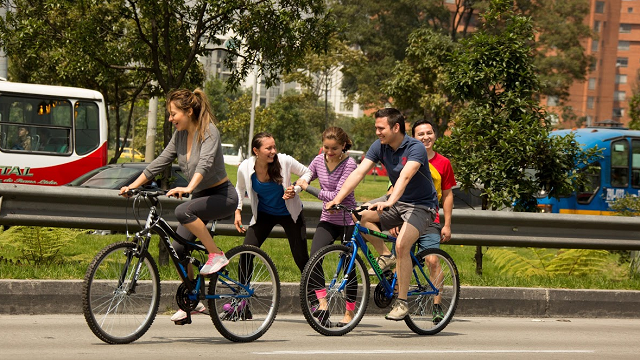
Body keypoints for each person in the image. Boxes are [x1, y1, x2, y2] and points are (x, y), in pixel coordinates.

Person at [119, 88, 238, 322]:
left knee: (183, 209)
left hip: (223, 195)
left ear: (189, 111)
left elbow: (204, 165)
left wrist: (189, 188)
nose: (170, 118)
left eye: (173, 114)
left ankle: (216, 254)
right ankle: (192, 301)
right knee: (179, 249)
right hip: (201, 196)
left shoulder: (209, 131)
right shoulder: (180, 136)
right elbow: (161, 161)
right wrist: (133, 186)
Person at [325, 108, 438, 321]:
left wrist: (390, 202)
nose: (377, 132)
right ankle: (385, 256)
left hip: (422, 206)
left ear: (396, 127)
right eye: (376, 127)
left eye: (380, 128)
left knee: (403, 245)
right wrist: (337, 199)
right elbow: (359, 172)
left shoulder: (415, 148)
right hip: (396, 200)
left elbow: (405, 176)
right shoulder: (380, 146)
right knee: (359, 215)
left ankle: (402, 302)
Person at [296, 127, 358, 326]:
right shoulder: (318, 160)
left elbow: (336, 196)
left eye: (334, 149)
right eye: (326, 147)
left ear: (343, 146)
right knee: (314, 259)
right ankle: (323, 304)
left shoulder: (350, 165)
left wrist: (308, 189)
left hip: (348, 220)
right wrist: (296, 188)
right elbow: (307, 175)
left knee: (349, 268)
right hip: (328, 219)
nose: (329, 152)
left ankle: (349, 313)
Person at [234, 132, 312, 274]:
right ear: (256, 151)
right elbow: (239, 188)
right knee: (246, 253)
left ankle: (315, 294)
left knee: (301, 258)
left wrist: (296, 188)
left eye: (274, 147)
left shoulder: (284, 160)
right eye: (268, 148)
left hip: (290, 214)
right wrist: (237, 210)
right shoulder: (245, 167)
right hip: (264, 214)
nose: (273, 152)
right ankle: (243, 294)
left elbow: (307, 172)